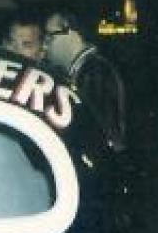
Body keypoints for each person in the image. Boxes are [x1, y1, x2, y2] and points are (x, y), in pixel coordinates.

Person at [44, 10, 127, 152]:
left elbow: (103, 133)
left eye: (50, 37)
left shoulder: (95, 73)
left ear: (71, 32)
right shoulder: (91, 69)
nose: (44, 46)